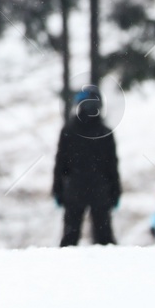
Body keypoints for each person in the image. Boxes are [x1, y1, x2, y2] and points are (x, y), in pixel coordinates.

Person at [53, 86, 121, 246]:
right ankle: (112, 268)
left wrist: (57, 189)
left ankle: (66, 267)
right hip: (99, 190)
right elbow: (112, 166)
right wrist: (115, 191)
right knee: (104, 238)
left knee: (70, 238)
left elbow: (59, 164)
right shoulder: (105, 132)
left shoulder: (69, 131)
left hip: (75, 190)